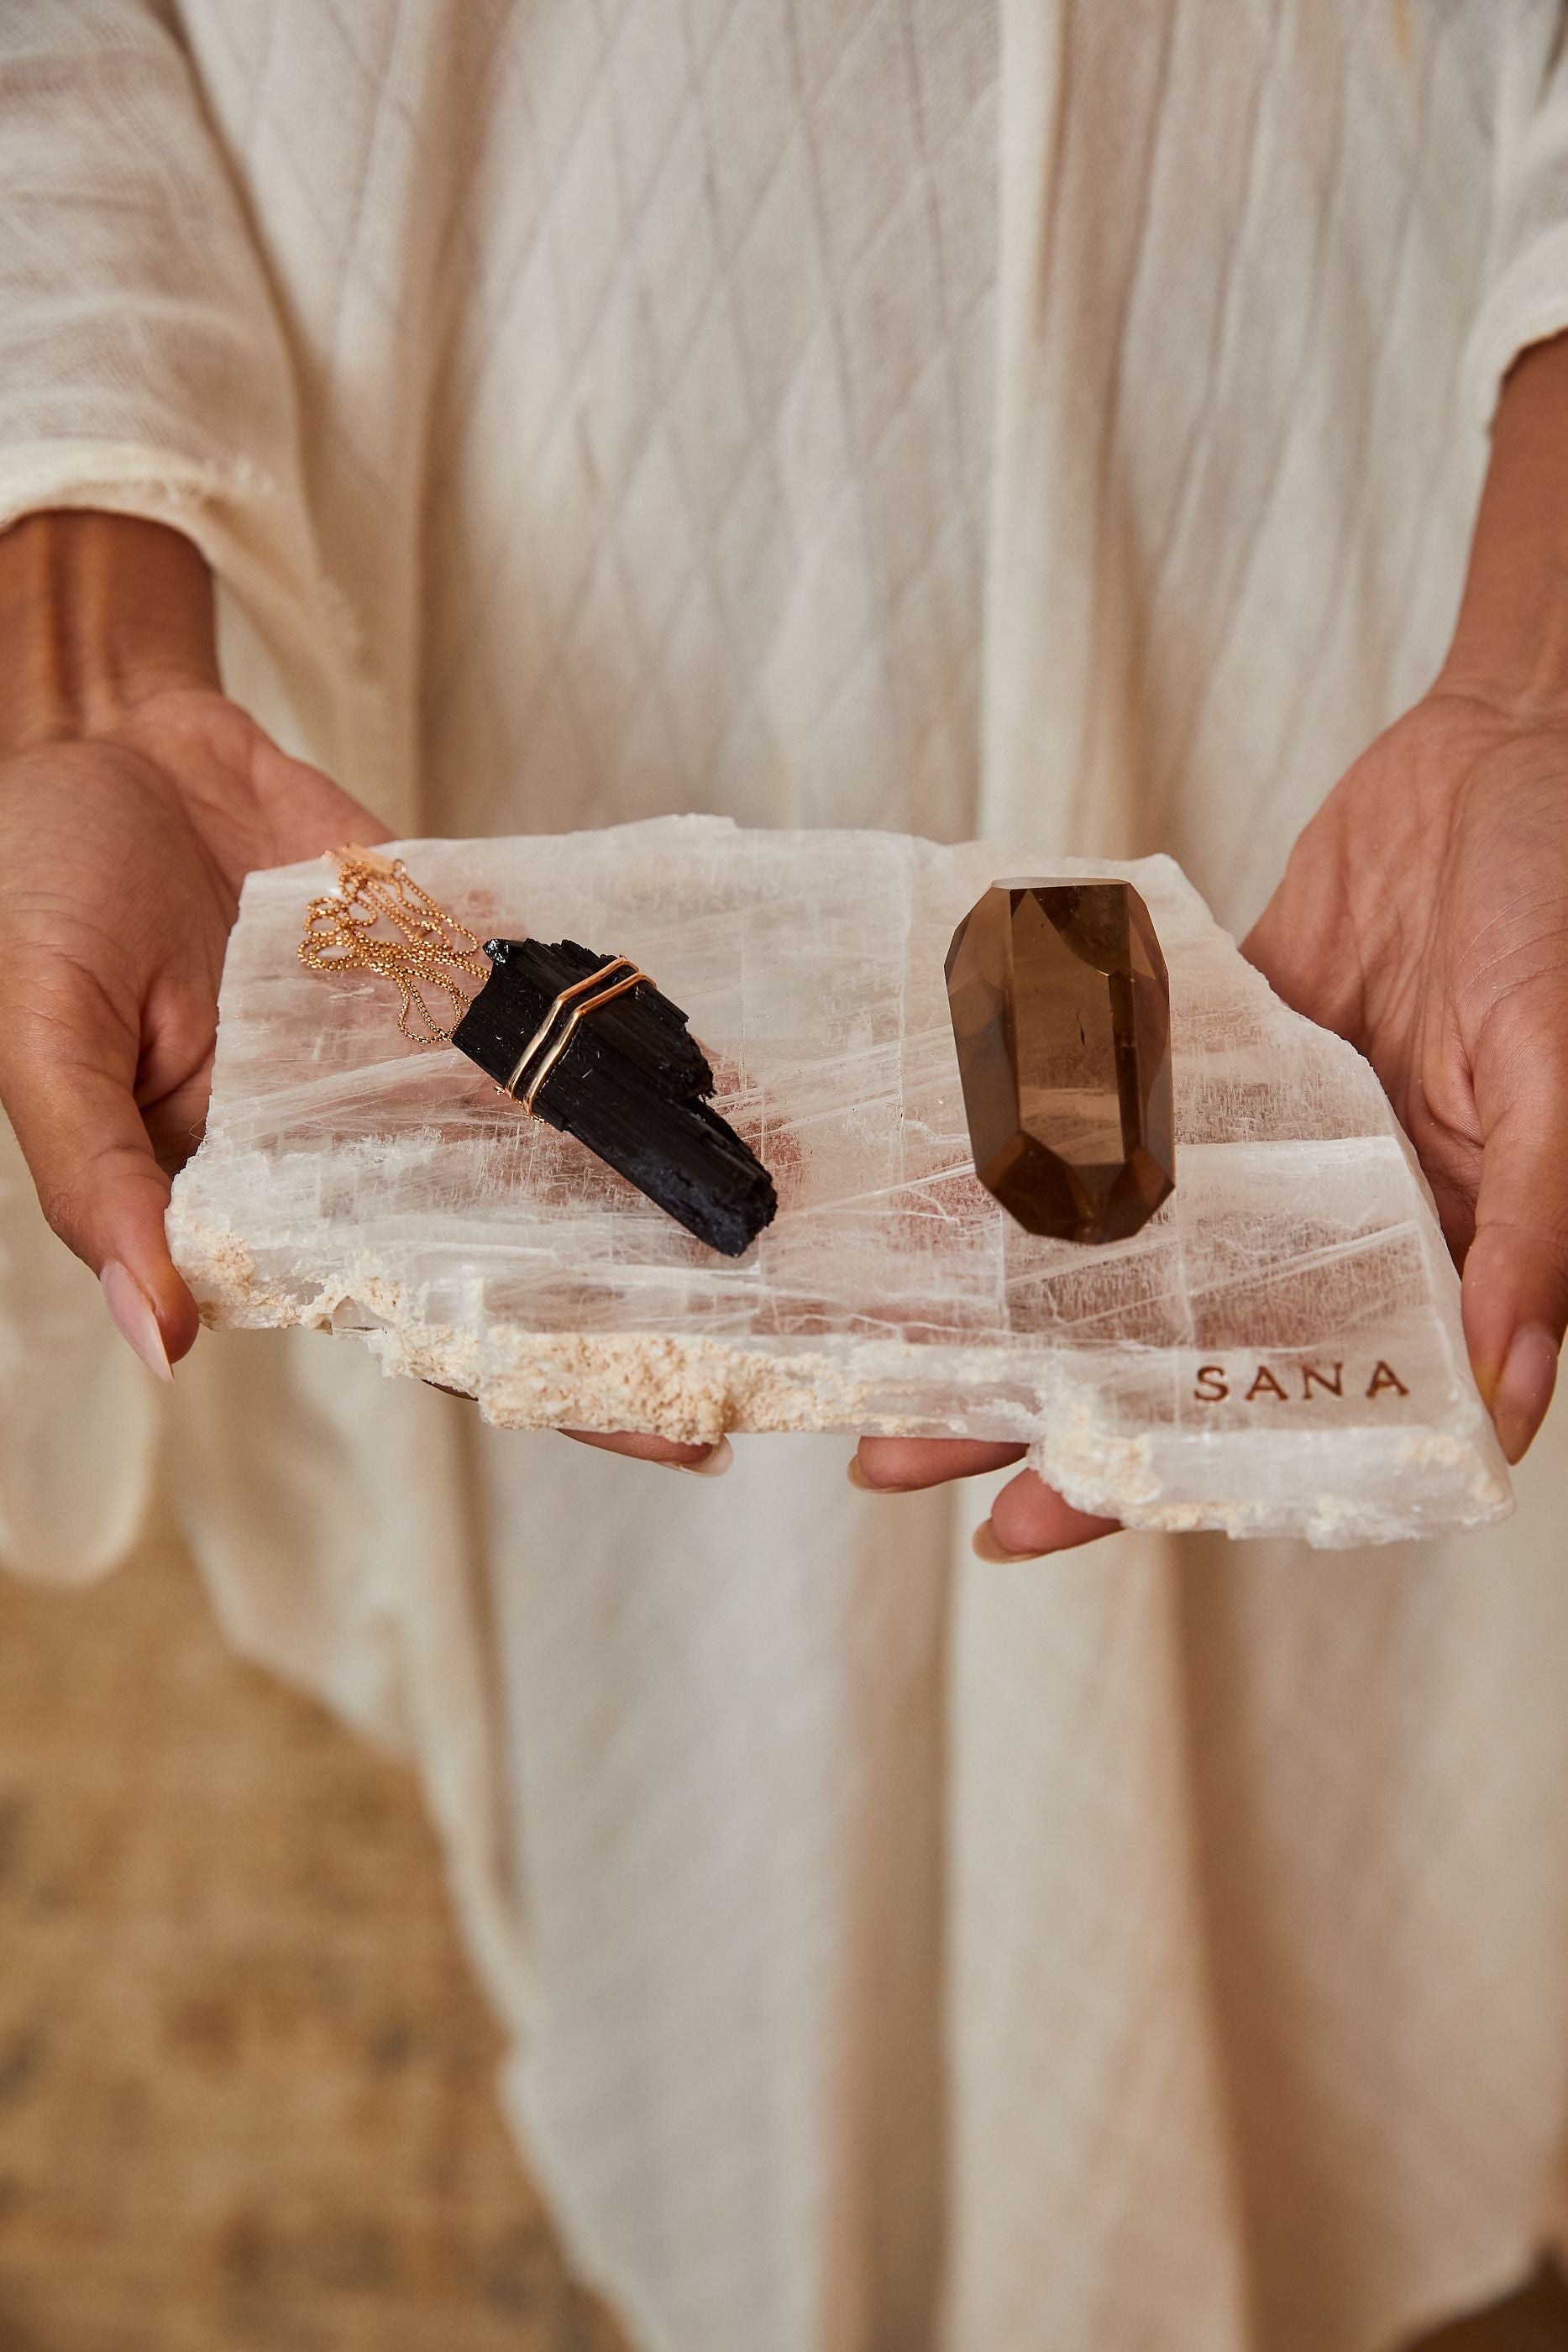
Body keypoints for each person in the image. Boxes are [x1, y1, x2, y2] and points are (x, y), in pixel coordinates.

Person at [2, 5, 1567, 2348]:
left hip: (1366, 479)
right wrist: (96, 682)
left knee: (1310, 1491)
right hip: (535, 505)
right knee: (706, 1644)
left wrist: (1536, 681)